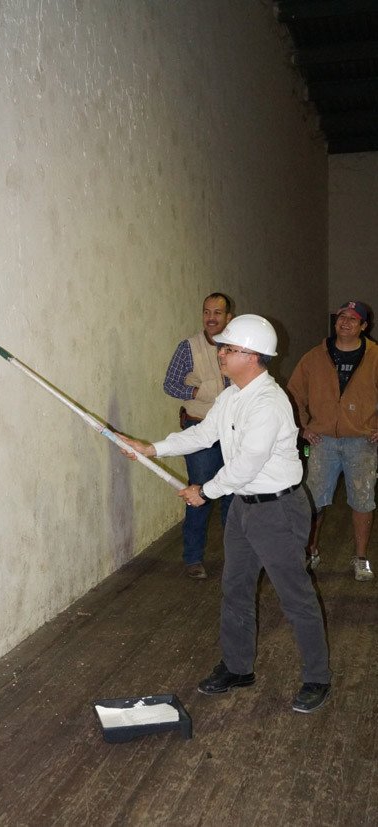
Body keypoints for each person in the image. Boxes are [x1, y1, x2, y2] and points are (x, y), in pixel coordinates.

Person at [120, 314, 331, 713]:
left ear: (251, 357)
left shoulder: (269, 403)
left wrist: (205, 491)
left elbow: (248, 464)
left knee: (295, 596)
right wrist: (151, 448)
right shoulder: (232, 394)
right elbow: (202, 434)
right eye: (224, 347)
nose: (221, 353)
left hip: (277, 510)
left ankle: (318, 677)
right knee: (235, 588)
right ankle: (238, 668)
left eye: (228, 348)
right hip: (244, 508)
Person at [287, 301, 378, 581]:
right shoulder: (315, 356)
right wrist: (302, 426)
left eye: (353, 318)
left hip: (362, 441)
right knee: (314, 501)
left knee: (362, 501)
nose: (345, 321)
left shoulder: (375, 356)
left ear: (364, 326)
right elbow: (293, 393)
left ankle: (360, 558)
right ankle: (310, 551)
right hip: (322, 441)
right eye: (341, 317)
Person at [163, 292, 234, 580]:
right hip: (198, 428)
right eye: (207, 312)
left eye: (217, 313)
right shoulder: (188, 347)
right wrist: (197, 392)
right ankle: (193, 558)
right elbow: (169, 384)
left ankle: (236, 557)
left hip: (232, 432)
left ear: (228, 317)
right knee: (199, 494)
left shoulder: (237, 347)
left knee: (233, 494)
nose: (211, 318)